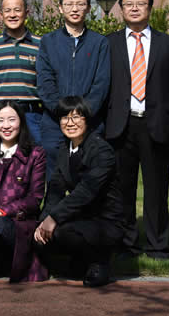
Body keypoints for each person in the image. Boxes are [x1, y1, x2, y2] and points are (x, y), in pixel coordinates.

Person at [105, 0, 169, 260]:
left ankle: (157, 245)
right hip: (120, 125)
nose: (135, 8)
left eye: (141, 3)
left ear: (150, 8)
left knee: (156, 190)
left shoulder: (168, 44)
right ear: (122, 9)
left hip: (157, 125)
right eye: (129, 4)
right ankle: (127, 244)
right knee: (122, 190)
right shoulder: (109, 43)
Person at [34, 96, 123, 288]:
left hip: (105, 221)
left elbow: (86, 191)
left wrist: (54, 218)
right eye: (65, 118)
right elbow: (56, 189)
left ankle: (100, 260)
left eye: (76, 117)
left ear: (87, 120)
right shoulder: (64, 149)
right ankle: (80, 259)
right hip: (81, 217)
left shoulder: (102, 151)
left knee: (63, 233)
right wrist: (44, 220)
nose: (70, 123)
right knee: (42, 235)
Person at [0, 100, 48, 282]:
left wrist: (0, 212)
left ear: (21, 122)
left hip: (18, 222)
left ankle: (10, 262)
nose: (6, 126)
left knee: (2, 226)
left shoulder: (35, 154)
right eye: (0, 120)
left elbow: (34, 200)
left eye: (11, 120)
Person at [36, 0, 110, 170]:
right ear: (60, 8)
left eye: (80, 4)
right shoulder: (48, 42)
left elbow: (101, 85)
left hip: (89, 123)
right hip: (55, 123)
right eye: (69, 4)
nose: (74, 9)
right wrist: (63, 113)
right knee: (54, 181)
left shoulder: (100, 42)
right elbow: (45, 83)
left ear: (88, 8)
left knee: (88, 184)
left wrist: (80, 115)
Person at [0, 0, 43, 144]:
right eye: (7, 10)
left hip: (31, 115)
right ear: (1, 15)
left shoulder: (41, 44)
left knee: (35, 160)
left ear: (26, 13)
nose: (12, 15)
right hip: (0, 114)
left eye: (17, 10)